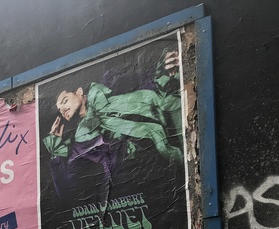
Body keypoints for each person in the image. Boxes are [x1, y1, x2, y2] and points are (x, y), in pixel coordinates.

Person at [43, 49, 183, 201]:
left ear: (79, 91)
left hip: (174, 134)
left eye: (64, 101)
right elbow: (67, 191)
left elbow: (146, 81)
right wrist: (56, 150)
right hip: (147, 184)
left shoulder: (112, 85)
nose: (62, 109)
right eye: (60, 109)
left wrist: (164, 70)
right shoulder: (81, 139)